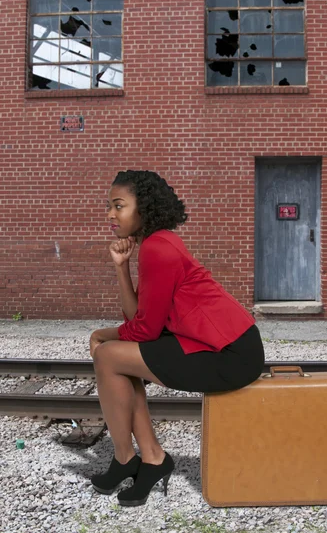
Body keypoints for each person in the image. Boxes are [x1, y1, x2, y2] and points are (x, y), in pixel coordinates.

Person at [90, 170, 265, 507]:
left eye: (119, 206)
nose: (110, 215)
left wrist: (101, 336)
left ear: (145, 208)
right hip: (221, 345)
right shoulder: (157, 243)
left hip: (229, 354)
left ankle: (126, 460)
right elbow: (138, 318)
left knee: (109, 356)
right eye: (109, 207)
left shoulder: (158, 248)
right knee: (119, 359)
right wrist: (121, 267)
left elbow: (144, 331)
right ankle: (152, 459)